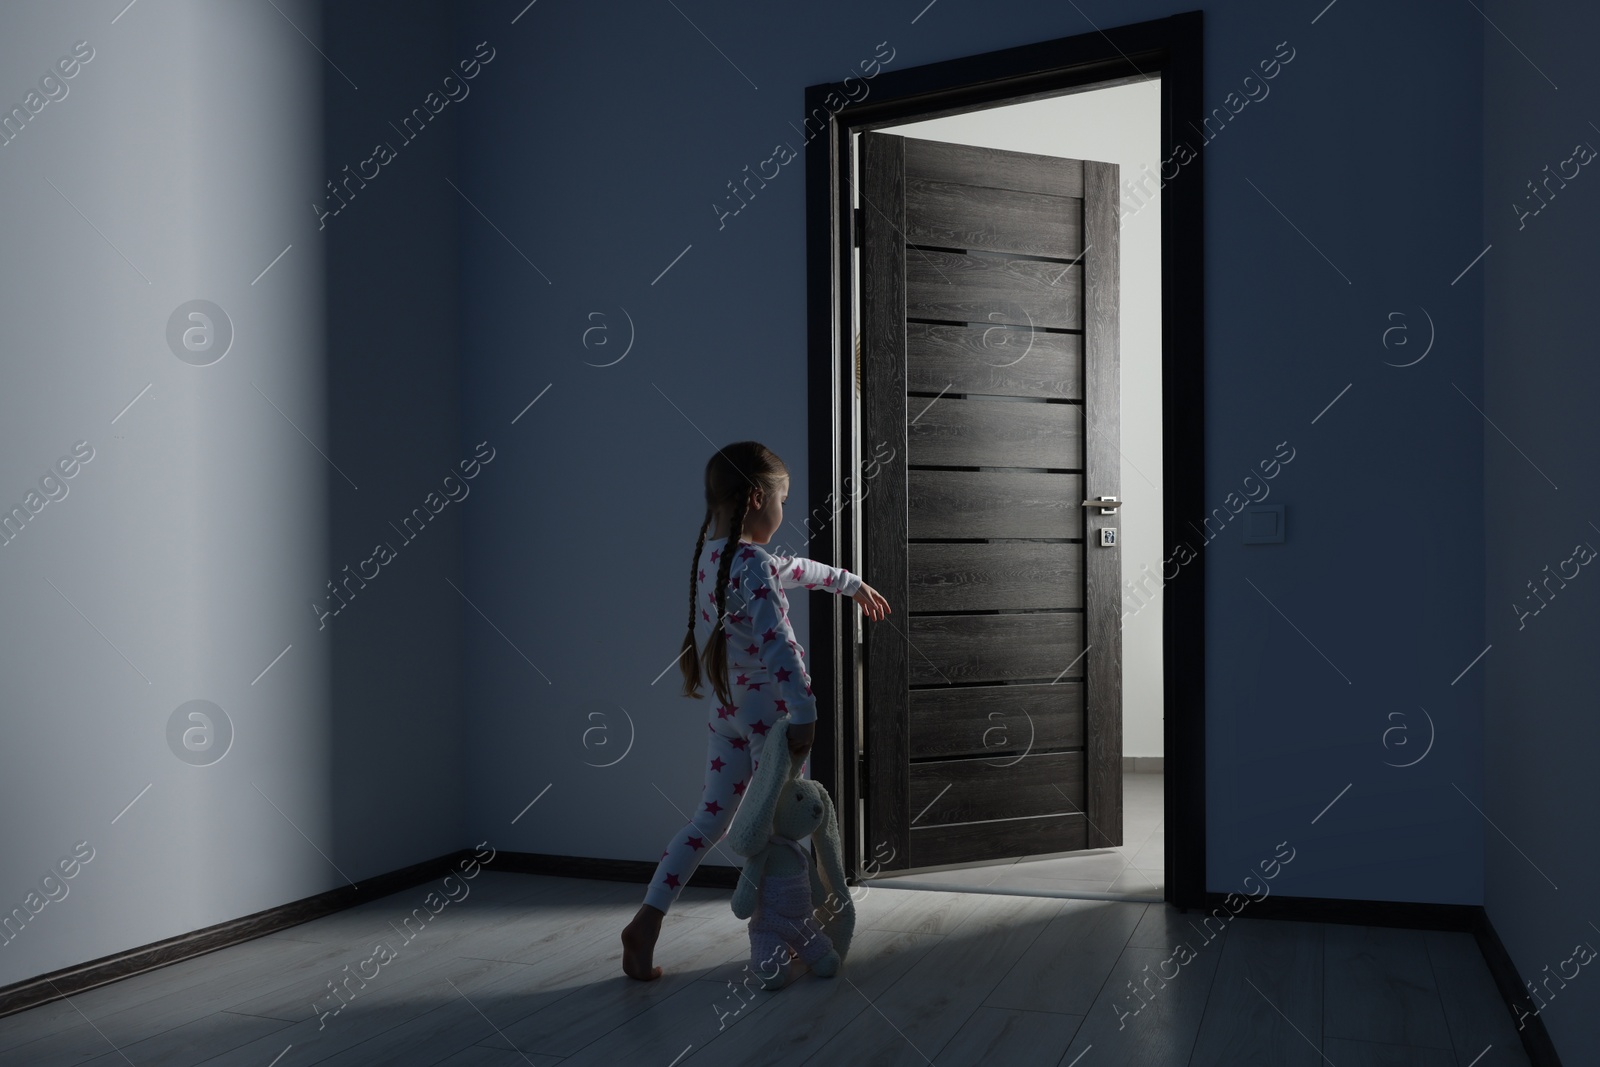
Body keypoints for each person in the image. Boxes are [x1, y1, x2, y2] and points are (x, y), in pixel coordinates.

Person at [620, 441, 889, 980]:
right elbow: (779, 644)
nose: (784, 511)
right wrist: (804, 711)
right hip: (770, 715)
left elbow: (798, 569)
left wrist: (852, 583)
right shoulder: (752, 566)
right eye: (784, 500)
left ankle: (647, 919)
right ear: (759, 497)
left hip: (727, 712)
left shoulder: (715, 562)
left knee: (709, 822)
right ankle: (785, 933)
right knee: (785, 827)